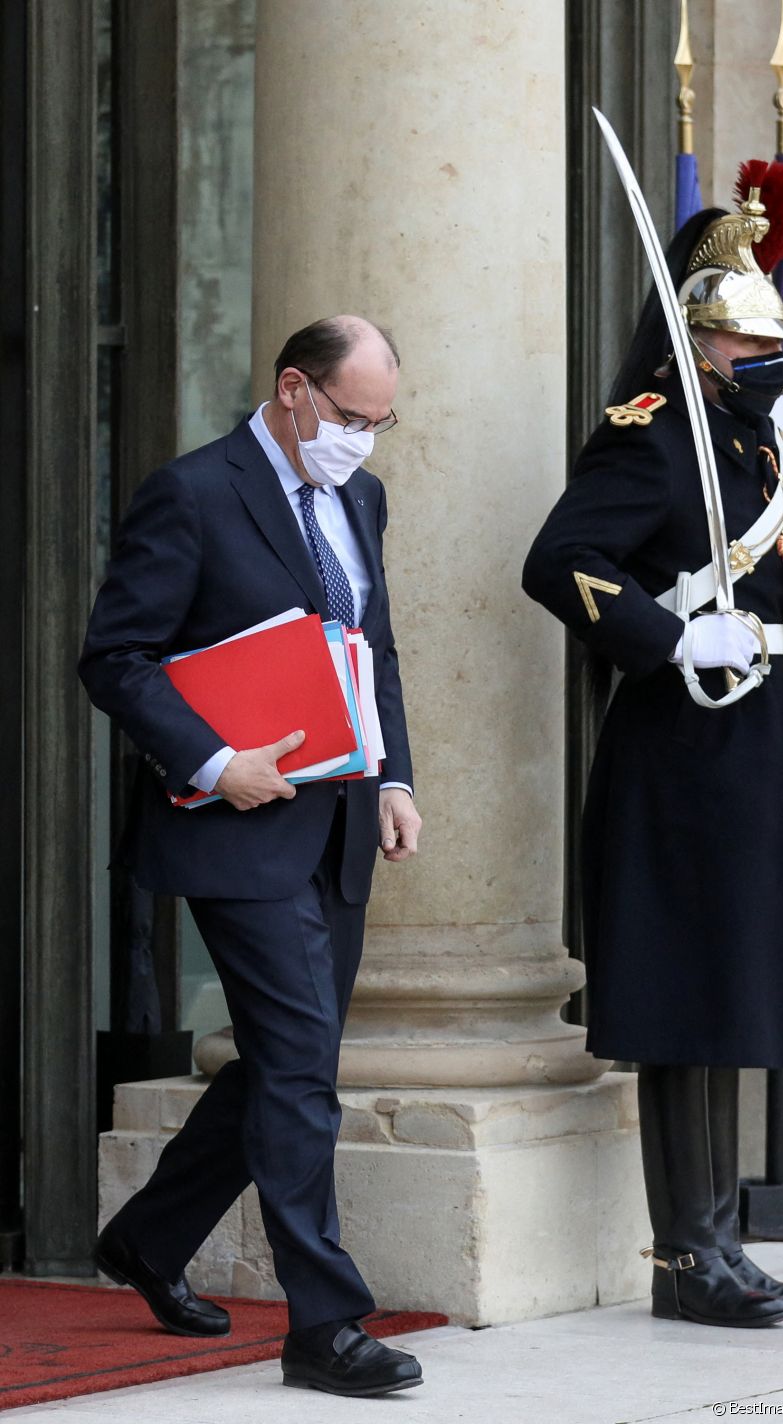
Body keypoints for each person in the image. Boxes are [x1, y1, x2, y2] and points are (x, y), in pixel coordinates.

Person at [80, 315, 424, 1396]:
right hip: (234, 825)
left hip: (338, 822)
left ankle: (146, 1234)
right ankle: (325, 1323)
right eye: (352, 418)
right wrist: (215, 757)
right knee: (300, 1069)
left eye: (382, 422)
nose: (363, 441)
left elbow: (377, 648)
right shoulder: (191, 491)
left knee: (291, 1060)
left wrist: (394, 776)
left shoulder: (359, 498)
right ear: (292, 389)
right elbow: (115, 655)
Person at [522, 171, 783, 1328]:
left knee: (735, 994)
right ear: (695, 334)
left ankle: (721, 1241)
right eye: (740, 334)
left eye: (767, 336)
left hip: (762, 750)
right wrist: (666, 634)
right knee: (684, 1003)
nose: (762, 352)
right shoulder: (652, 437)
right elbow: (558, 560)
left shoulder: (764, 451)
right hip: (685, 752)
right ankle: (684, 1255)